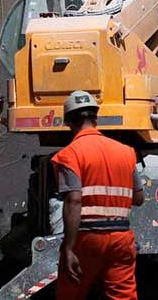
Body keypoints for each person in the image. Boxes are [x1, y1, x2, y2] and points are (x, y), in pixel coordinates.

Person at [51, 90, 144, 300]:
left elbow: (74, 200)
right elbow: (138, 198)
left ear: (68, 122)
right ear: (96, 118)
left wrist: (69, 247)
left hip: (87, 238)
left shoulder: (69, 155)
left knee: (70, 294)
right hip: (121, 238)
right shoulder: (126, 152)